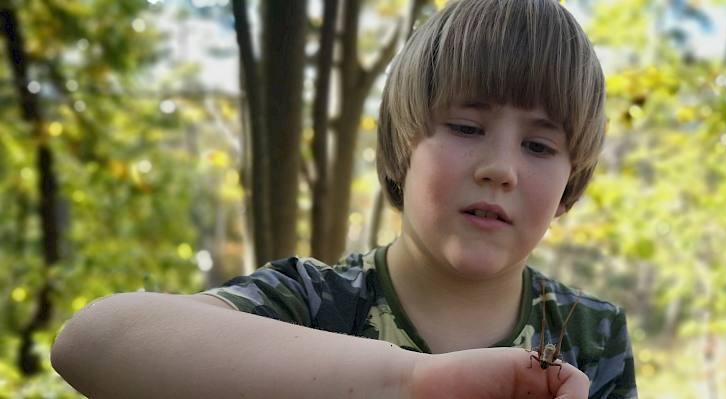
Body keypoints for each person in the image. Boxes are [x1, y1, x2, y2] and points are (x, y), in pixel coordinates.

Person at [51, 0, 637, 398]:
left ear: (571, 179)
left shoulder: (593, 335)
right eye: (465, 127)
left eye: (538, 145)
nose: (500, 169)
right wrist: (410, 381)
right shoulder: (313, 303)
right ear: (402, 145)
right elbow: (93, 341)